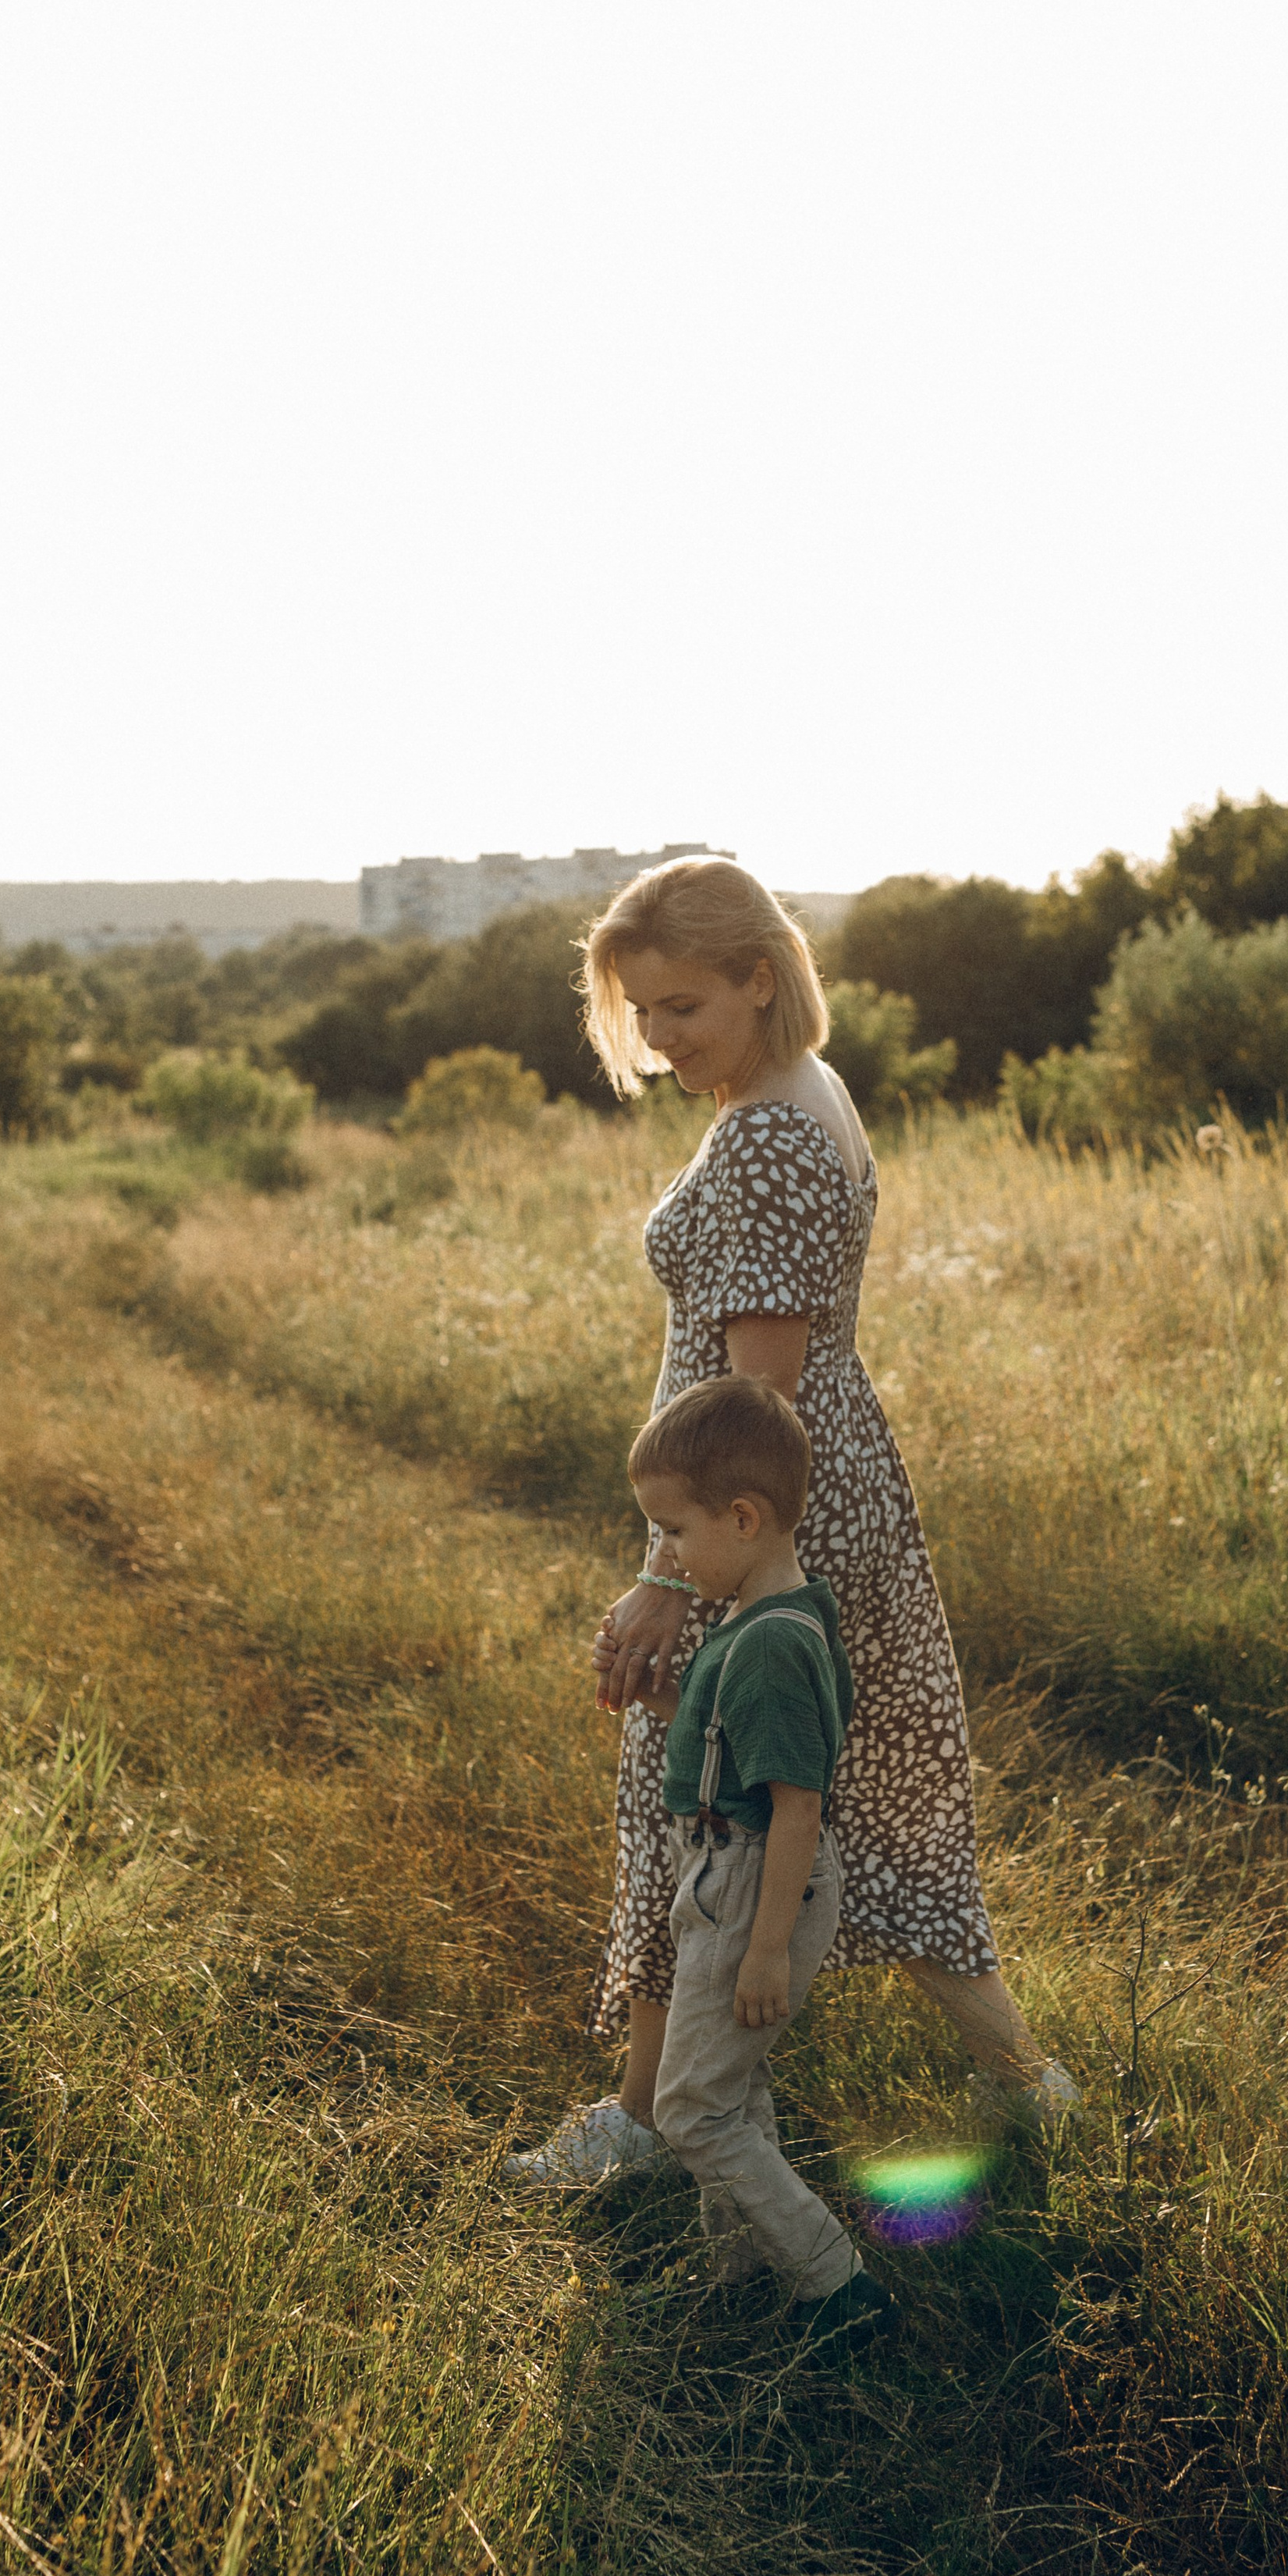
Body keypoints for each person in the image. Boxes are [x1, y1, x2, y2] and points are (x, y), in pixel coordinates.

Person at [509, 855, 1074, 2186]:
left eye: (685, 1007)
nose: (657, 1040)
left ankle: (646, 2127)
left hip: (760, 1518)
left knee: (687, 1794)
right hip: (817, 1504)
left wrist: (672, 1573)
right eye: (642, 1013)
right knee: (868, 1803)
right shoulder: (799, 1093)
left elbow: (756, 1390)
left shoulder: (766, 1134)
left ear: (762, 979)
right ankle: (1030, 2086)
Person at [624, 1371, 892, 2349]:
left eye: (672, 1531)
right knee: (726, 2091)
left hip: (749, 1887)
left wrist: (768, 1947)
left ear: (742, 1518)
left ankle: (835, 2287)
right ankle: (739, 2271)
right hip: (725, 1874)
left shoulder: (776, 1640)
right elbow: (732, 1749)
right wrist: (657, 1700)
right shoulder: (756, 1616)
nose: (666, 1554)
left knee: (688, 2110)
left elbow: (796, 1804)